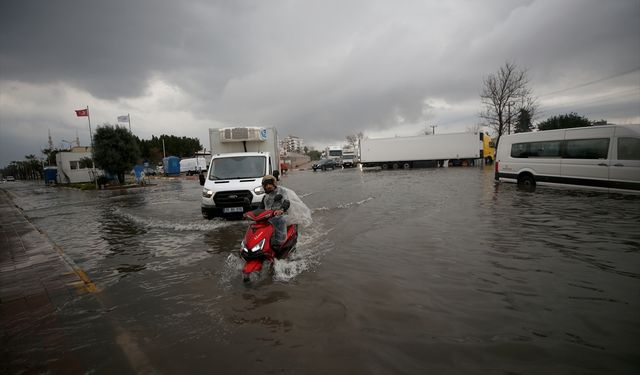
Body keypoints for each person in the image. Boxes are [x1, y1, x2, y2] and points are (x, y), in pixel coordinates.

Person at [259, 174, 290, 248]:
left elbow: (286, 202)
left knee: (280, 220)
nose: (268, 186)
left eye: (270, 184)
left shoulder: (281, 191)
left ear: (274, 184)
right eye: (266, 185)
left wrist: (281, 210)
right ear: (264, 186)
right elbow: (260, 208)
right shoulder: (265, 196)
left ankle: (281, 244)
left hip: (281, 215)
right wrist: (249, 213)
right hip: (269, 216)